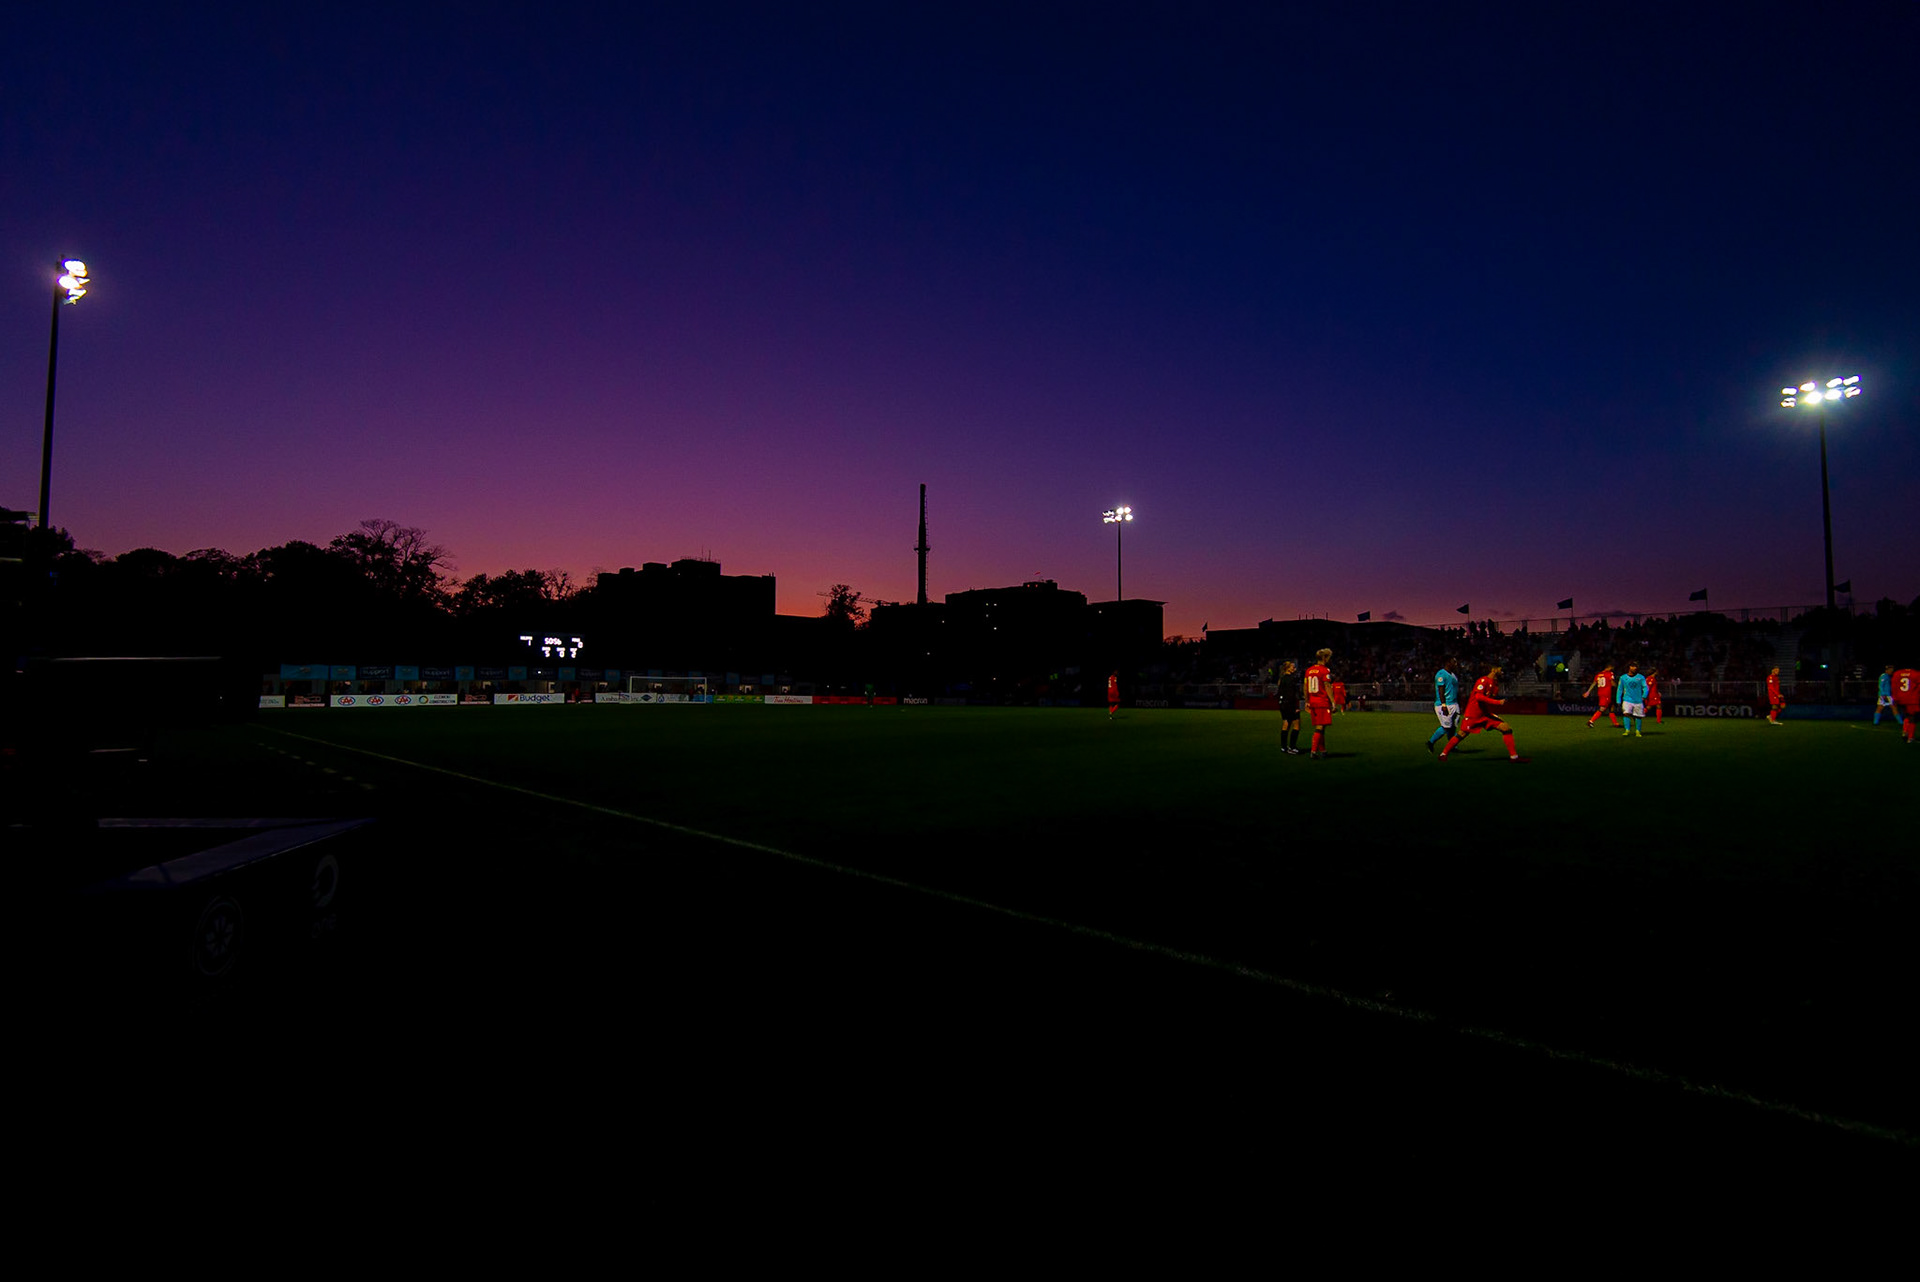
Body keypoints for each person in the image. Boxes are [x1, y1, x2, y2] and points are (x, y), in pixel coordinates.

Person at [1439, 664, 1530, 762]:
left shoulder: (1495, 684)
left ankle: (1514, 757)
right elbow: (1478, 697)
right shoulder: (1483, 681)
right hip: (1473, 714)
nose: (1502, 672)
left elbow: (1487, 699)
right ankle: (1443, 754)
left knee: (1506, 728)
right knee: (1462, 734)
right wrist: (1498, 702)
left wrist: (1491, 712)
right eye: (1501, 670)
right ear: (1494, 670)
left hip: (1485, 714)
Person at [1303, 648, 1335, 758]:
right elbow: (1327, 686)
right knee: (1320, 727)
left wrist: (1307, 701)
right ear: (1324, 658)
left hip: (1313, 701)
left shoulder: (1309, 670)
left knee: (1321, 727)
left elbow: (1305, 687)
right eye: (1328, 657)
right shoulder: (1325, 670)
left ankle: (1323, 750)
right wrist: (1333, 702)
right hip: (1322, 701)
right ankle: (1313, 751)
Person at [1427, 659, 1462, 753]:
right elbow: (1440, 690)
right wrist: (1443, 705)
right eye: (1454, 662)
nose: (1456, 664)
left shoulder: (1453, 675)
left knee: (1454, 727)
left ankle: (1453, 747)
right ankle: (1430, 742)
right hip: (1445, 704)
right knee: (1446, 727)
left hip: (1454, 703)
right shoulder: (1441, 674)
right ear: (1448, 663)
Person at [1275, 659, 1303, 755]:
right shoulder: (1292, 679)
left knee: (1286, 724)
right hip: (1289, 704)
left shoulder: (1282, 678)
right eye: (1293, 667)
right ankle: (1292, 747)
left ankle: (1283, 747)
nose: (1294, 668)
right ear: (1288, 668)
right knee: (1296, 725)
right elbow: (1291, 694)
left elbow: (1279, 693)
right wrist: (1295, 706)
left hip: (1282, 704)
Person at [1616, 662, 1648, 738]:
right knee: (1626, 714)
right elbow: (1620, 689)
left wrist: (1644, 695)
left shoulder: (1641, 677)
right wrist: (1618, 700)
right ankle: (1627, 730)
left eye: (1636, 666)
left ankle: (1638, 731)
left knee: (1638, 716)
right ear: (1629, 667)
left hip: (1638, 700)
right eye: (1633, 666)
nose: (1635, 668)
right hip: (1627, 699)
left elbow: (1645, 687)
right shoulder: (1623, 677)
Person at [1583, 663, 1620, 728]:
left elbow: (1594, 683)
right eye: (1612, 667)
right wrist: (1618, 686)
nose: (1612, 669)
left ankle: (1616, 723)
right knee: (1602, 708)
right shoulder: (1610, 674)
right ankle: (1591, 721)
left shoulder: (1598, 675)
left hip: (1601, 693)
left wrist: (1588, 692)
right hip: (1607, 693)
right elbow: (1612, 683)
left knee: (1611, 706)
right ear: (1609, 667)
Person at [1891, 666, 1918, 745]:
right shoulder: (1916, 673)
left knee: (1906, 716)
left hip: (1901, 698)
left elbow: (1894, 686)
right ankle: (1910, 738)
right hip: (1912, 699)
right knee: (1913, 717)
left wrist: (1895, 698)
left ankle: (1905, 732)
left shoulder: (1897, 673)